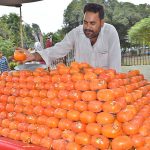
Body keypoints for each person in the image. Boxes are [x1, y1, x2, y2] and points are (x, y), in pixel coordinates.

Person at [20, 3, 121, 72]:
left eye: (92, 23)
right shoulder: (77, 33)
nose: (87, 27)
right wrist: (35, 56)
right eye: (85, 22)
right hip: (80, 90)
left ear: (102, 23)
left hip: (105, 91)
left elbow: (114, 66)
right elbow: (58, 49)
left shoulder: (110, 33)